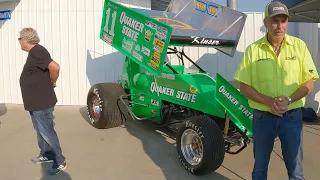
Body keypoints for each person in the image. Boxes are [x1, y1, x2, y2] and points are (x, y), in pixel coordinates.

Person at [234, 1, 319, 180]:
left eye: (283, 21)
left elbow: (309, 83)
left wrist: (288, 100)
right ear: (265, 22)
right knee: (260, 169)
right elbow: (243, 86)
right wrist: (268, 101)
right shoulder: (253, 50)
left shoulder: (299, 47)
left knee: (296, 170)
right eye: (274, 21)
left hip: (292, 116)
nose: (279, 26)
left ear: (287, 22)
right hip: (263, 118)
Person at [18, 27, 67, 175]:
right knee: (40, 131)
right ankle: (46, 154)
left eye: (20, 39)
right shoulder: (34, 53)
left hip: (41, 102)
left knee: (47, 131)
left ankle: (60, 160)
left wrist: (52, 82)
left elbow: (55, 67)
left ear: (25, 40)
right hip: (35, 102)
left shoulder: (38, 51)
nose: (19, 42)